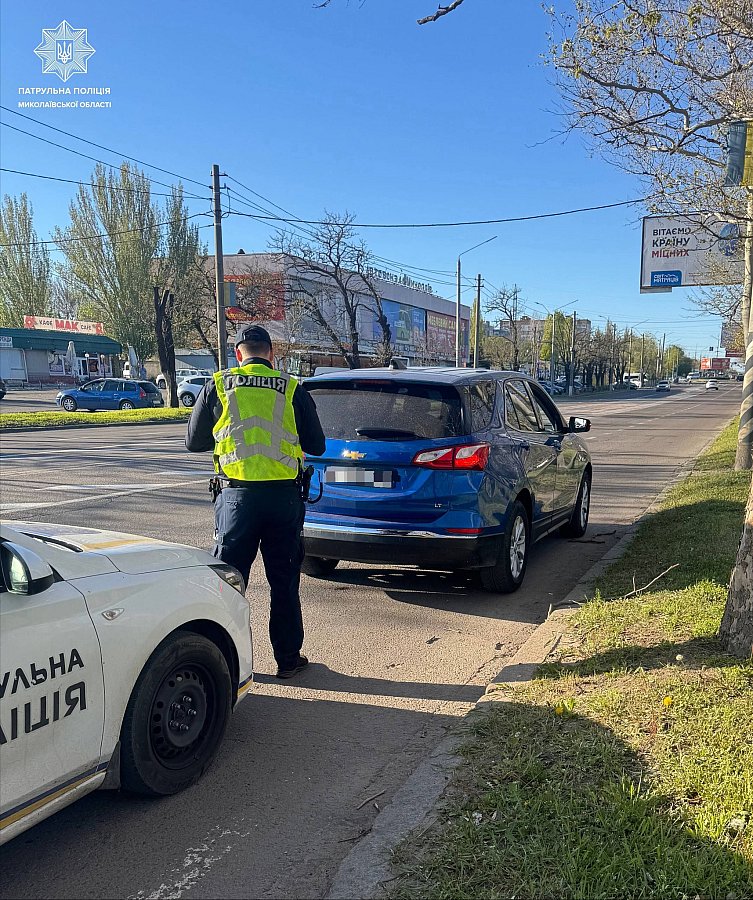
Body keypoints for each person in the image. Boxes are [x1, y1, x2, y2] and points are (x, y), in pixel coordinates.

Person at [186, 325, 325, 679]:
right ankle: (288, 660)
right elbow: (318, 445)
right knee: (283, 582)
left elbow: (194, 442)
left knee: (229, 585)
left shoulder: (218, 385)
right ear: (271, 354)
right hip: (283, 499)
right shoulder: (291, 387)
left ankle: (228, 668)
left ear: (238, 354)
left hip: (236, 500)